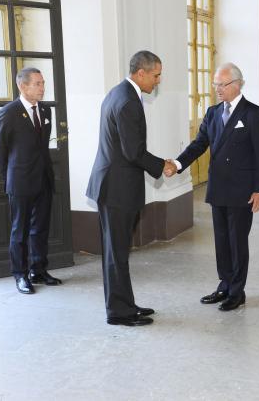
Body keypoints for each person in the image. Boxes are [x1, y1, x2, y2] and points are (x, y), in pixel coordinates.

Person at [165, 63, 259, 311]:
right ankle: (224, 284)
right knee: (222, 240)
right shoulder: (213, 113)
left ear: (237, 84)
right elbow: (199, 144)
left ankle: (237, 291)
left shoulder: (253, 114)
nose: (217, 89)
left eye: (221, 85)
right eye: (215, 84)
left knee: (237, 241)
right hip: (218, 188)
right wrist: (178, 164)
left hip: (242, 191)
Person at [86, 51, 176, 326]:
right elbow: (133, 151)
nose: (158, 81)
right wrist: (163, 165)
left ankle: (125, 304)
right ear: (141, 73)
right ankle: (119, 312)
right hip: (117, 190)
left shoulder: (119, 93)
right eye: (156, 75)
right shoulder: (127, 102)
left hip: (115, 186)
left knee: (119, 252)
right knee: (116, 253)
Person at [0, 67, 62, 294]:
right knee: (19, 231)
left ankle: (38, 270)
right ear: (23, 86)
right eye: (38, 84)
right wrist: (11, 174)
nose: (43, 88)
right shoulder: (9, 112)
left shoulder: (45, 110)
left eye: (43, 83)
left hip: (43, 179)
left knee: (40, 228)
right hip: (21, 181)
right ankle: (20, 275)